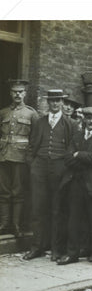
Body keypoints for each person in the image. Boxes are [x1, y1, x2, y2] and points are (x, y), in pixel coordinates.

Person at [56, 107, 92, 269]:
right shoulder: (77, 136)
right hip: (76, 184)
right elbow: (67, 159)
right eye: (88, 118)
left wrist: (78, 154)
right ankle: (72, 254)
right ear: (84, 119)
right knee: (73, 220)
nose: (91, 121)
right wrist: (80, 156)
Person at [23, 89, 74, 261]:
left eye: (58, 100)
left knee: (57, 209)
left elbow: (72, 150)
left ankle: (56, 249)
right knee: (38, 208)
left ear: (62, 102)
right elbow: (31, 146)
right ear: (47, 102)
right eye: (51, 101)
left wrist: (65, 168)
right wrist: (33, 164)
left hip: (59, 169)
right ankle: (37, 247)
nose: (55, 103)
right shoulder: (40, 122)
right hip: (39, 168)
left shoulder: (69, 123)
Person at [0, 79, 38, 236]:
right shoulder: (3, 113)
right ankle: (4, 224)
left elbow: (35, 138)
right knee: (3, 191)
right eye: (14, 91)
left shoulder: (31, 114)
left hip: (21, 158)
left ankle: (16, 225)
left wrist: (29, 157)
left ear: (25, 93)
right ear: (10, 93)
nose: (17, 94)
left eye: (20, 92)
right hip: (3, 156)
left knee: (18, 191)